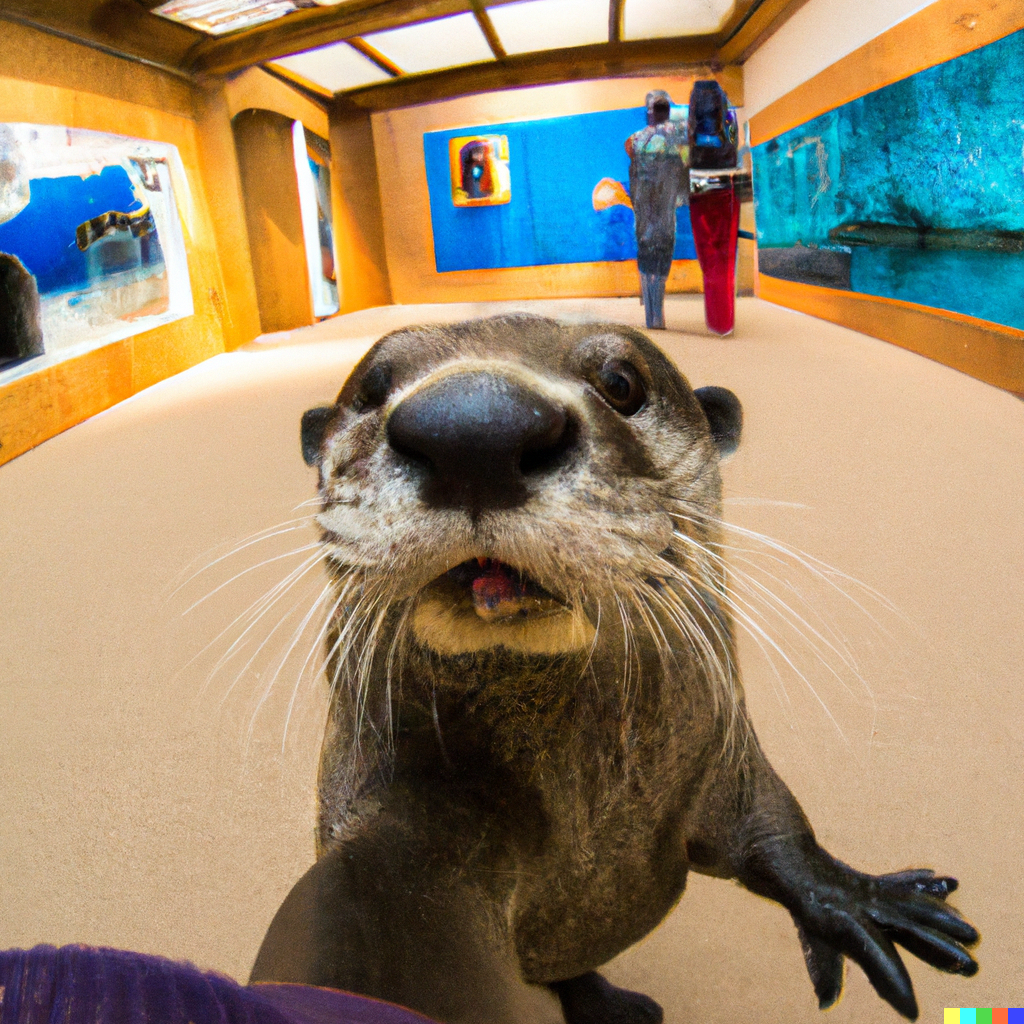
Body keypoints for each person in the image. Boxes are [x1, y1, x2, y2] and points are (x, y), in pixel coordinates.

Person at [625, 90, 689, 329]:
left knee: (653, 252)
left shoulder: (637, 139)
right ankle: (655, 315)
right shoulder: (676, 138)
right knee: (657, 252)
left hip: (652, 209)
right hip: (655, 209)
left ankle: (655, 314)